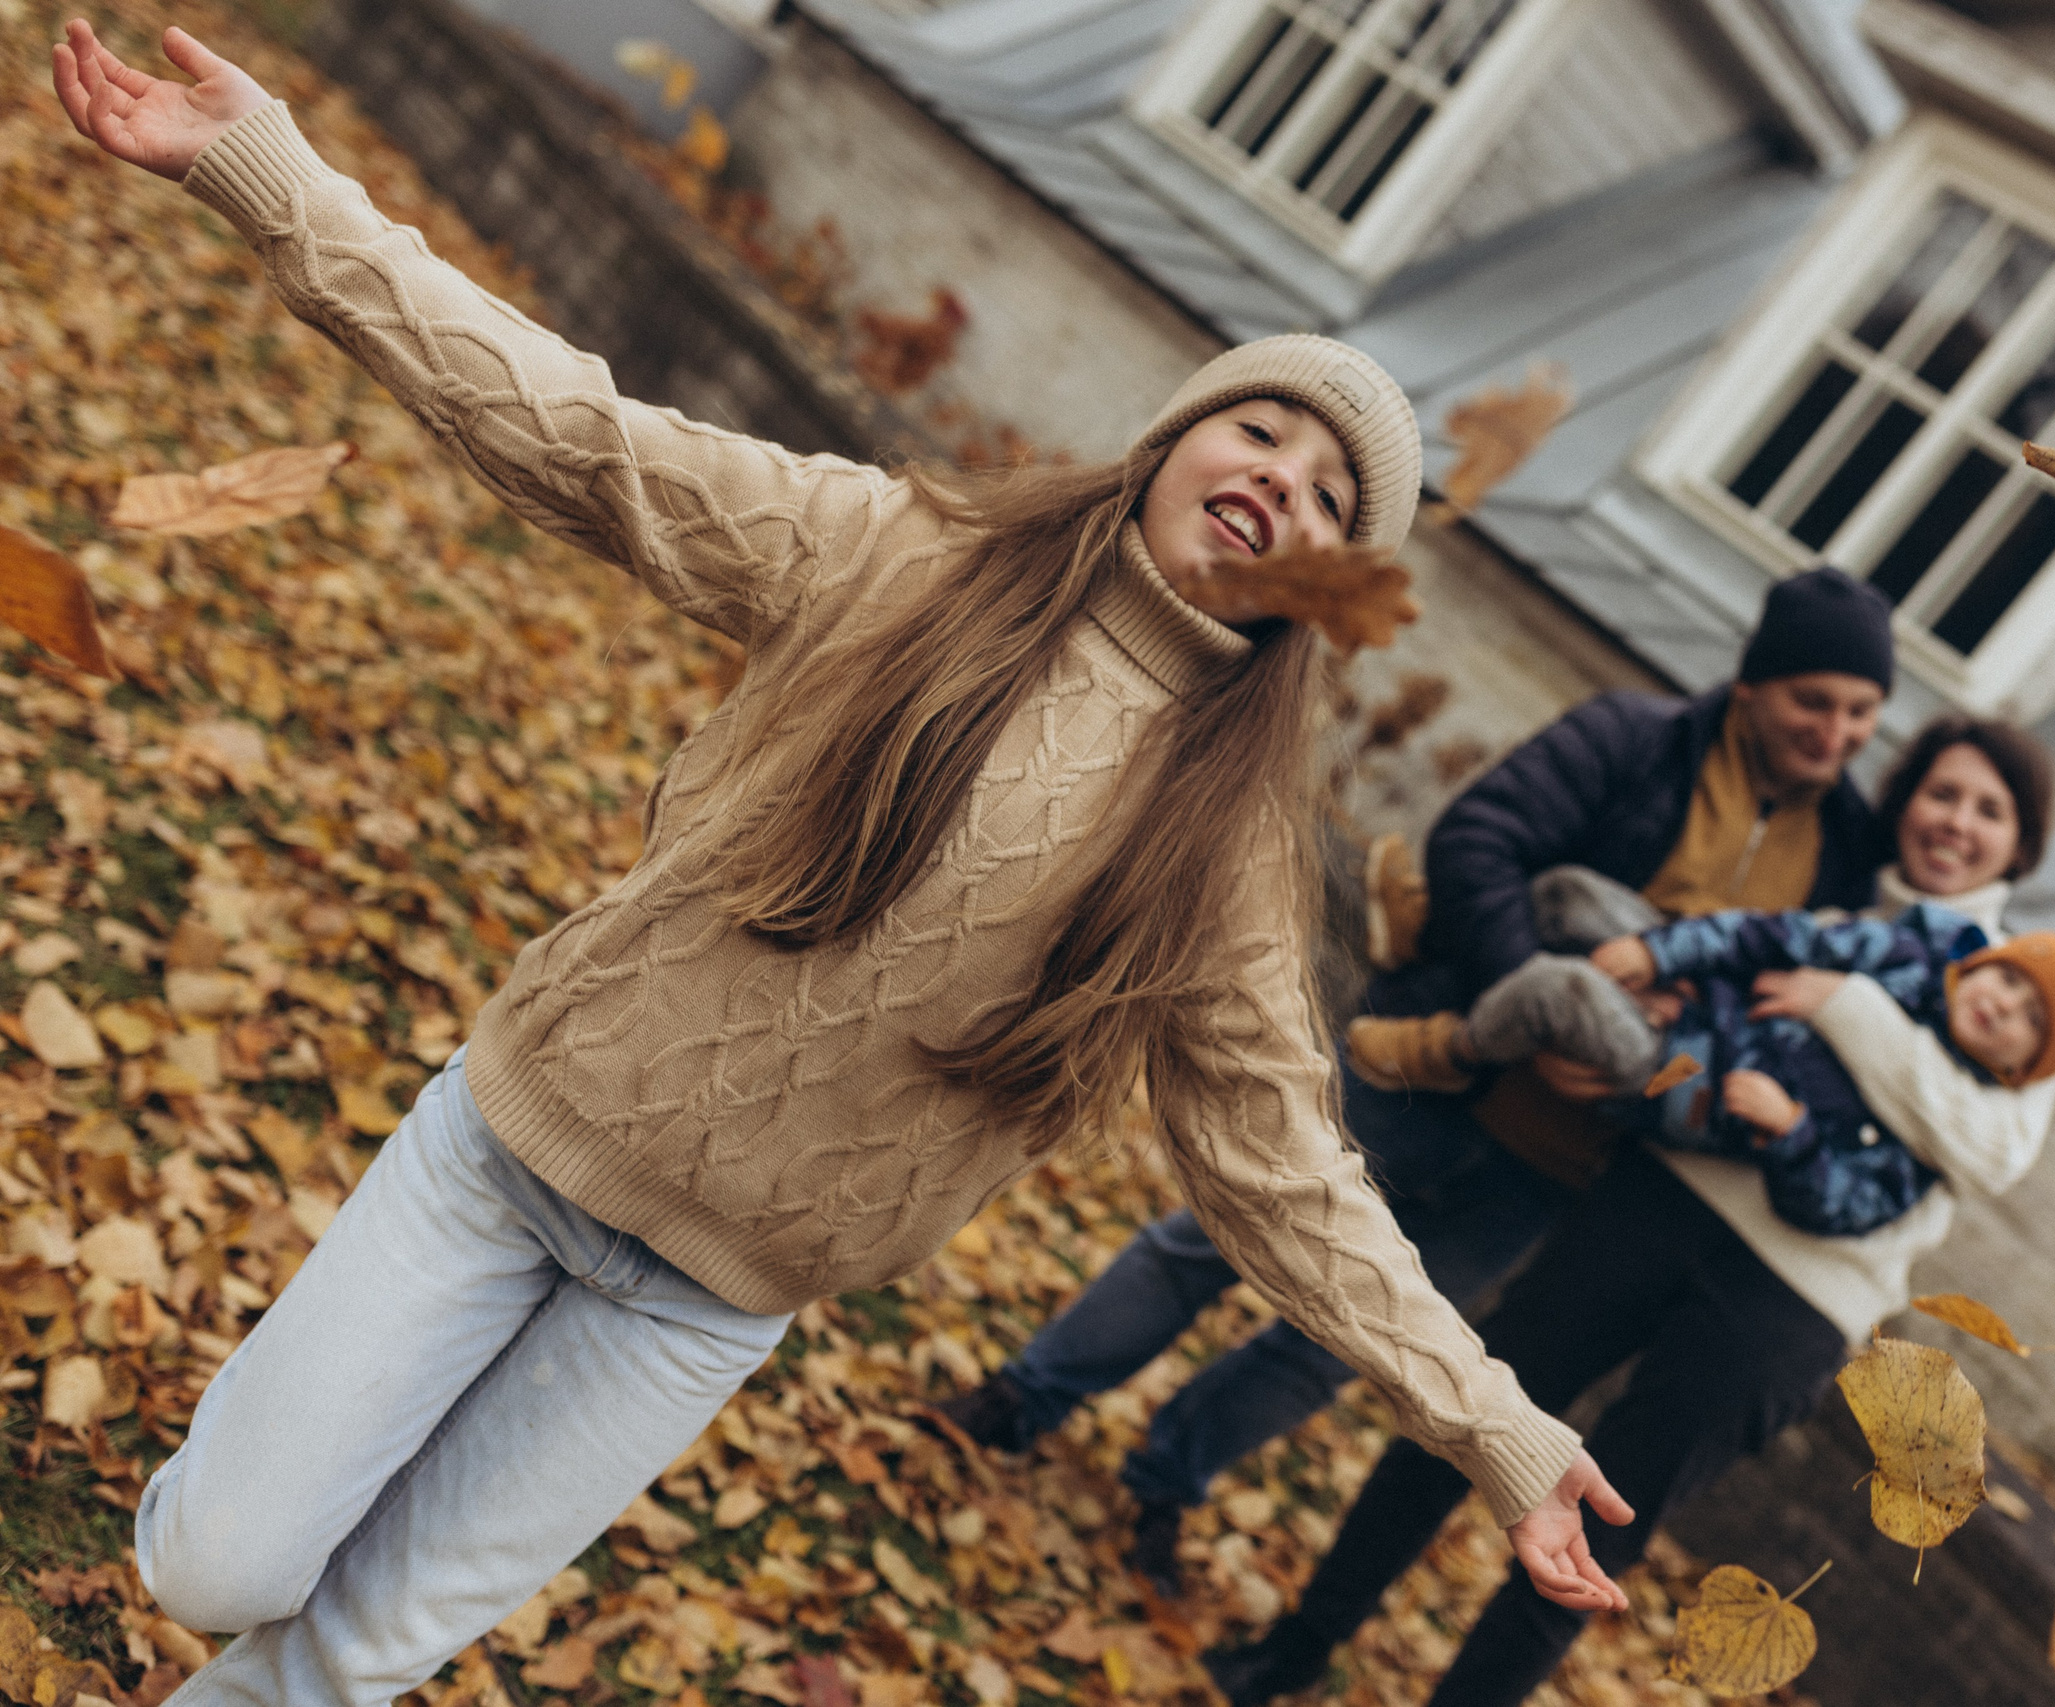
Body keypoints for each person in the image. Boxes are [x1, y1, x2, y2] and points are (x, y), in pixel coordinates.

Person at [49, 23, 1633, 1703]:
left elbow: (1281, 1165)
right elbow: (577, 435)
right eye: (1263, 433)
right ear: (1175, 438)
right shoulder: (899, 551)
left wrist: (1499, 1426)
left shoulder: (1229, 850)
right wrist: (273, 178)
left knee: (356, 1657)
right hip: (518, 1142)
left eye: (1331, 500)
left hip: (698, 1309)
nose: (1282, 487)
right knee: (218, 1563)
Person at [943, 568, 1899, 1587]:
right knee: (1213, 1240)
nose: (1835, 733)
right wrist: (1537, 1007)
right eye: (1813, 700)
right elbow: (1478, 844)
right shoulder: (1635, 737)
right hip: (1426, 1063)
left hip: (1552, 1167)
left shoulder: (1846, 857)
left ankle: (1166, 1482)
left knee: (1341, 1346)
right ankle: (1022, 1398)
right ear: (1752, 683)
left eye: (1860, 713)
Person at [1205, 717, 2055, 1707]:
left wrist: (1838, 1004)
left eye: (1988, 810)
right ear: (1904, 800)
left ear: (2020, 843)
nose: (1956, 822)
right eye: (1942, 793)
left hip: (1794, 1301)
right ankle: (1297, 1645)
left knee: (1604, 1529)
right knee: (1467, 1424)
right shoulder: (1833, 896)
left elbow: (1989, 1151)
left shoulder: (2031, 981)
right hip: (1655, 1201)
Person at [1361, 867, 2055, 1236]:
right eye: (2010, 977)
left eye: (2028, 1018)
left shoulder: (1925, 1126)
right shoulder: (1900, 957)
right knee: (1572, 896)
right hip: (1697, 994)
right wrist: (1663, 956)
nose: (2002, 1002)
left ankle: (1453, 1050)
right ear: (1983, 961)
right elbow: (1774, 937)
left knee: (1562, 989)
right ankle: (1427, 927)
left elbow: (1849, 1206)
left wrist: (1793, 1132)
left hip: (1669, 1072)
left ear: (2023, 1068)